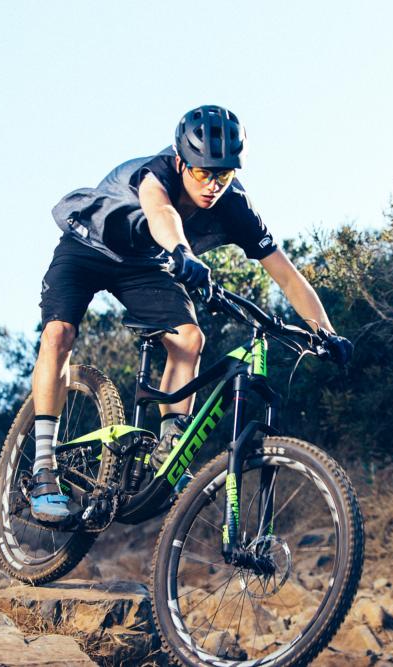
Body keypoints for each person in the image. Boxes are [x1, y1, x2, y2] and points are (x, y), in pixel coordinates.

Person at [29, 105, 353, 522]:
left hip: (145, 266)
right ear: (182, 162)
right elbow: (162, 213)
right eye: (203, 173)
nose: (213, 184)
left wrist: (325, 332)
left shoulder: (235, 206)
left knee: (189, 338)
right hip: (88, 247)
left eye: (225, 174)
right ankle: (43, 469)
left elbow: (286, 275)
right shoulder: (156, 173)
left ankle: (170, 452)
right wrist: (182, 253)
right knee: (59, 334)